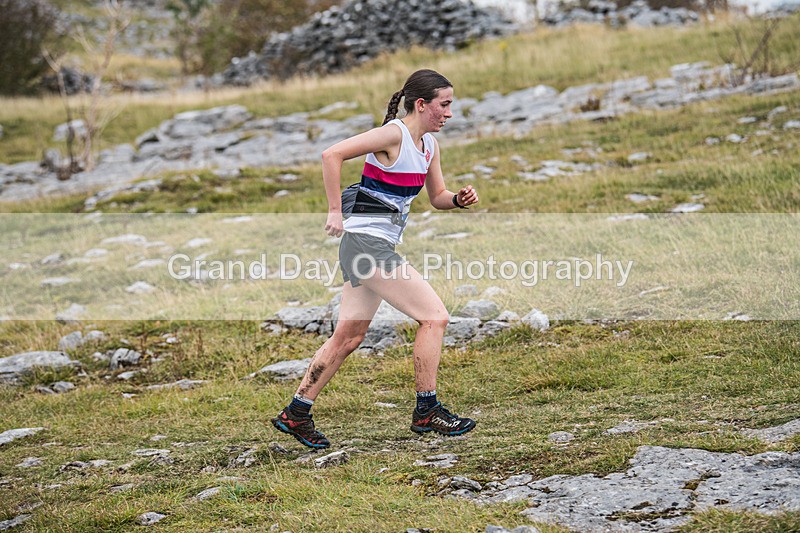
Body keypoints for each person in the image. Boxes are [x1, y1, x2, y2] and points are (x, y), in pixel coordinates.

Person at [271, 69, 479, 449]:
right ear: (422, 104)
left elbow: (437, 196)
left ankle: (296, 413)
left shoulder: (429, 146)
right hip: (367, 246)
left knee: (348, 336)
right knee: (435, 317)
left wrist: (457, 200)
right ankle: (427, 410)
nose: (449, 113)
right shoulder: (393, 135)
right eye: (444, 105)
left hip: (371, 247)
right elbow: (331, 154)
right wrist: (335, 210)